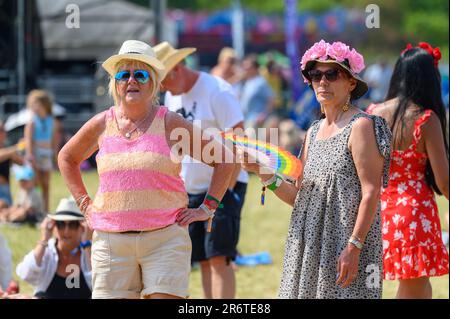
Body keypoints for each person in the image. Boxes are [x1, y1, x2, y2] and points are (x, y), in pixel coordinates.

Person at [57, 40, 235, 299]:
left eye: (140, 74)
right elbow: (66, 157)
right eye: (123, 74)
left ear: (153, 82)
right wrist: (85, 204)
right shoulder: (101, 123)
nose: (132, 80)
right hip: (111, 243)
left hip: (165, 240)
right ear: (115, 83)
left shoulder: (171, 123)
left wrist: (207, 208)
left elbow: (225, 160)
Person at [240, 40, 392, 299]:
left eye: (332, 74)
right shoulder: (312, 131)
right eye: (315, 74)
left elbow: (371, 191)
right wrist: (263, 171)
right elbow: (300, 199)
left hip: (346, 245)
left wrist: (354, 247)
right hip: (308, 247)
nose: (323, 81)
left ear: (351, 83)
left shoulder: (361, 126)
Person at [154, 41, 247, 299]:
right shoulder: (172, 95)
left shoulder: (217, 90)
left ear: (176, 69)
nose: (160, 89)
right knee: (203, 259)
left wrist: (225, 194)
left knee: (220, 258)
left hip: (224, 187)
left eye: (162, 81)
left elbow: (238, 141)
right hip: (191, 188)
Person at [368, 42, 449, 298]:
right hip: (414, 214)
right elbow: (444, 181)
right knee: (414, 287)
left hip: (377, 211)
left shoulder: (372, 114)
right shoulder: (426, 120)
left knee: (420, 287)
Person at [16, 197, 92, 299]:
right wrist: (44, 239)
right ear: (54, 226)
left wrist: (87, 244)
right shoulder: (48, 250)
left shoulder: (89, 251)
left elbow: (100, 283)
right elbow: (26, 274)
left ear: (82, 227)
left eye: (72, 224)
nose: (66, 231)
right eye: (61, 224)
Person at [24, 90, 60, 213]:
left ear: (44, 104)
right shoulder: (32, 122)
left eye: (36, 103)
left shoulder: (53, 121)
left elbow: (54, 140)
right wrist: (30, 155)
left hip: (47, 154)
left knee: (46, 184)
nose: (33, 107)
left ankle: (45, 210)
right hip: (36, 154)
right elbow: (28, 140)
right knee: (36, 183)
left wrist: (55, 155)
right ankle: (36, 209)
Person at [234, 54, 275, 129]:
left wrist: (264, 115)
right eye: (244, 67)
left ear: (255, 68)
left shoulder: (261, 82)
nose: (245, 69)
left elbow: (271, 99)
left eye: (248, 67)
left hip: (255, 122)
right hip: (245, 120)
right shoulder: (245, 82)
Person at [0, 121, 24, 209]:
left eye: (3, 130)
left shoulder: (8, 149)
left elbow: (21, 163)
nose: (3, 132)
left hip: (5, 189)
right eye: (1, 130)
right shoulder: (9, 150)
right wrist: (16, 148)